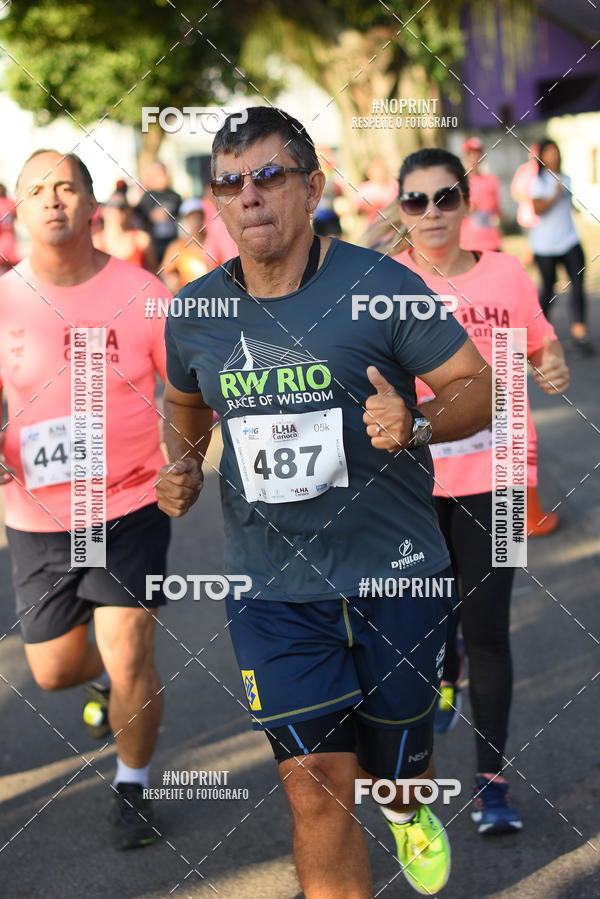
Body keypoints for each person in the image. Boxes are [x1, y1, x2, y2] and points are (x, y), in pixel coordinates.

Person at [157, 106, 493, 897]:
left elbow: (478, 388)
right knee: (314, 788)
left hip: (396, 575)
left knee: (396, 776)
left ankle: (410, 802)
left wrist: (414, 422)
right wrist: (185, 465)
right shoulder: (195, 311)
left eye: (270, 176)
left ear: (311, 186)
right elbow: (184, 402)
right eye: (230, 182)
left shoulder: (381, 286)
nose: (250, 196)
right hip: (274, 590)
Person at [394, 147, 570, 834]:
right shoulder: (384, 286)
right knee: (432, 623)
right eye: (416, 201)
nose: (432, 213)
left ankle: (491, 784)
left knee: (488, 626)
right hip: (412, 483)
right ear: (401, 210)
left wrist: (551, 361)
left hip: (497, 477)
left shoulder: (505, 274)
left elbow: (541, 346)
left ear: (467, 204)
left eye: (445, 198)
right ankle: (445, 665)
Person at [0, 149, 172, 849]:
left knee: (129, 648)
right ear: (17, 207)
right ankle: (100, 682)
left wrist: (183, 459)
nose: (52, 199)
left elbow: (187, 391)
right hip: (37, 512)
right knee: (55, 670)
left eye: (65, 186)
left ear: (91, 201)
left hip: (130, 501)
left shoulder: (143, 291)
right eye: (37, 189)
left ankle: (133, 782)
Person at [529, 138, 594, 355]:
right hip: (546, 245)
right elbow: (538, 209)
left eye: (555, 151)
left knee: (578, 285)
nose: (553, 156)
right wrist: (555, 193)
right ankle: (539, 335)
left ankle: (579, 334)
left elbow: (569, 205)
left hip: (569, 240)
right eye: (548, 152)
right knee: (548, 288)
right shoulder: (538, 181)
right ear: (542, 157)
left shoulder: (566, 178)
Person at [93, 191, 157, 271]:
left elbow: (153, 273)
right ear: (102, 209)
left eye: (122, 206)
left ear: (129, 211)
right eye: (111, 204)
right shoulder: (95, 242)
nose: (117, 210)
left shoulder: (141, 239)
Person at [161, 198, 213, 292]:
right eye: (191, 218)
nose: (195, 222)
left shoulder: (214, 243)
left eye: (199, 217)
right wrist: (170, 281)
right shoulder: (176, 247)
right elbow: (164, 273)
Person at [460, 137, 502, 252]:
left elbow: (498, 212)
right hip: (469, 244)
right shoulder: (459, 182)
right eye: (471, 154)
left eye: (478, 153)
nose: (475, 158)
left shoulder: (492, 180)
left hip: (492, 241)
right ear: (465, 155)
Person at [135, 161, 182, 264]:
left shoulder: (175, 196)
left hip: (173, 244)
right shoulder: (147, 197)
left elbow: (182, 220)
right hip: (154, 246)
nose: (162, 177)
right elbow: (143, 219)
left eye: (163, 173)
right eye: (157, 175)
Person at [354, 157, 398, 225]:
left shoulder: (395, 184)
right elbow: (357, 211)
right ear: (369, 173)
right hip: (378, 228)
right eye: (377, 171)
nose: (380, 173)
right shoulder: (364, 189)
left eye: (382, 169)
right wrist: (368, 206)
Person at [0, 183, 20, 274]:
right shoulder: (10, 203)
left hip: (9, 237)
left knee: (10, 263)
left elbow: (17, 215)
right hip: (4, 236)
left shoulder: (10, 202)